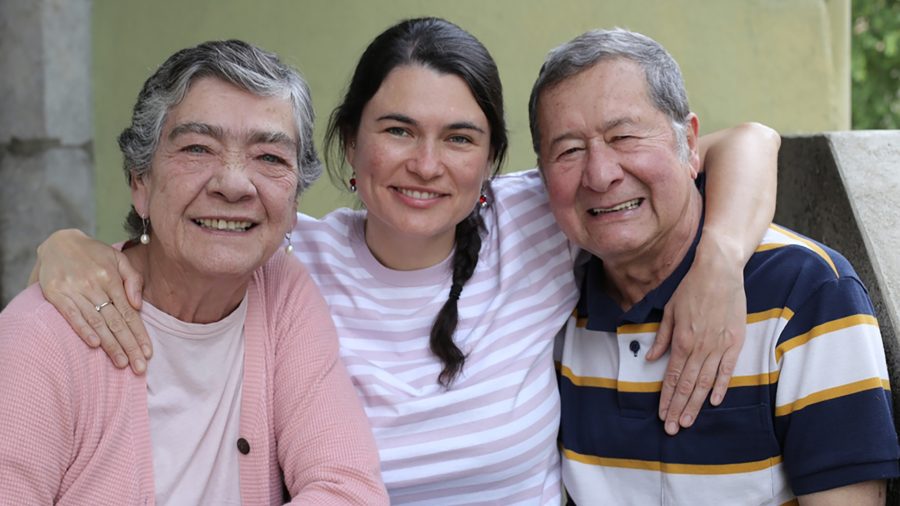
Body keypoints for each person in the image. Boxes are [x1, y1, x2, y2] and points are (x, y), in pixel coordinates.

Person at [31, 18, 779, 504]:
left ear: (490, 162)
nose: (426, 164)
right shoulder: (293, 262)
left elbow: (748, 140)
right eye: (397, 130)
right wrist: (69, 247)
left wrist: (719, 258)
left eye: (458, 137)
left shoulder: (540, 217)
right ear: (351, 147)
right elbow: (194, 240)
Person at [0, 40, 388, 504]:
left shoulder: (284, 296)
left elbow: (347, 489)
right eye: (198, 148)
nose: (233, 183)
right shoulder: (46, 331)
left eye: (269, 157)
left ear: (294, 204)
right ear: (140, 181)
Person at [530, 28, 900, 504]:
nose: (601, 174)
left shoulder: (805, 292)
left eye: (624, 136)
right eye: (569, 151)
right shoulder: (553, 298)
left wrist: (719, 259)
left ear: (690, 143)